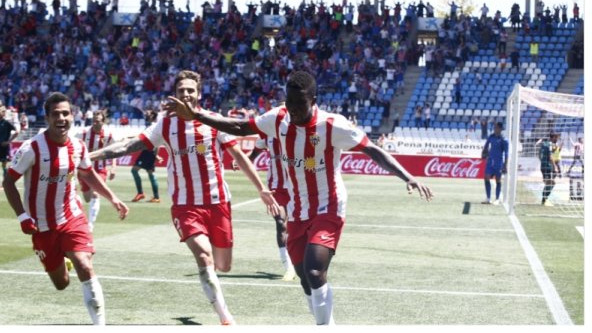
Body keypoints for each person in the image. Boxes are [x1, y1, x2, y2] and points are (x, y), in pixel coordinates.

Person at [168, 71, 432, 325]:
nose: (293, 108)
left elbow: (372, 150)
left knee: (314, 271)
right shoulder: (278, 118)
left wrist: (407, 176)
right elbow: (239, 126)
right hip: (297, 209)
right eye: (289, 101)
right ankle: (326, 322)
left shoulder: (332, 125)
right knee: (305, 278)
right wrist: (197, 115)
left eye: (299, 103)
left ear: (313, 101)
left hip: (328, 206)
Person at [89, 71, 279, 325]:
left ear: (198, 94)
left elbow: (239, 157)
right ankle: (226, 319)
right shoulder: (165, 125)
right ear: (175, 94)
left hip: (218, 202)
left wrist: (261, 188)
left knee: (223, 265)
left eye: (190, 90)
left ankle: (213, 288)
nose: (186, 94)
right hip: (185, 205)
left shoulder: (213, 120)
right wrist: (90, 156)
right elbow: (129, 145)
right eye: (181, 91)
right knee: (204, 255)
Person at [4, 92, 129, 325]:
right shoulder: (32, 148)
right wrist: (22, 216)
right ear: (47, 118)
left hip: (71, 216)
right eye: (56, 114)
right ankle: (65, 260)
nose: (61, 118)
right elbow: (8, 181)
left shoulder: (78, 146)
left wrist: (113, 198)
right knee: (61, 284)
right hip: (42, 226)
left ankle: (100, 325)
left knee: (85, 264)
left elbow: (88, 174)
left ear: (72, 116)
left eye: (65, 113)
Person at [249, 135, 296, 280]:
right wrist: (245, 160)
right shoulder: (267, 134)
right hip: (276, 188)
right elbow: (255, 152)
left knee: (298, 226)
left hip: (298, 186)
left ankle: (300, 261)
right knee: (281, 223)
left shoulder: (297, 131)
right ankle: (289, 268)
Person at [79, 111, 117, 231]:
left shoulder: (108, 135)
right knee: (87, 198)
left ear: (103, 122)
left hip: (100, 169)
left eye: (98, 121)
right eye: (93, 121)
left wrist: (113, 167)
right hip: (84, 169)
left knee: (95, 193)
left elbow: (115, 151)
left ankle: (90, 225)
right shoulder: (83, 133)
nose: (95, 123)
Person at [481, 121, 509, 204]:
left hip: (499, 162)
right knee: (486, 177)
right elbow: (486, 145)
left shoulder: (504, 140)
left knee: (498, 180)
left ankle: (497, 199)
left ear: (500, 129)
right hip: (490, 161)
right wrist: (484, 152)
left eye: (496, 127)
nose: (494, 129)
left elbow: (506, 153)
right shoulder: (491, 136)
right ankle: (488, 198)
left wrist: (505, 165)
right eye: (494, 127)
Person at [0, 105, 19, 186]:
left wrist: (8, 141)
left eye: (0, 111)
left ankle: (4, 183)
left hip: (4, 147)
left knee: (4, 165)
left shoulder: (7, 123)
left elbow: (17, 132)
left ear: (4, 113)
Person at [539, 132, 561, 205]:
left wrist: (542, 161)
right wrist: (555, 167)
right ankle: (544, 199)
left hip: (543, 166)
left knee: (549, 182)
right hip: (548, 167)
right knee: (551, 182)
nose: (557, 139)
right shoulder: (550, 145)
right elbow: (550, 156)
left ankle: (544, 199)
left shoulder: (544, 144)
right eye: (556, 138)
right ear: (553, 137)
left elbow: (539, 154)